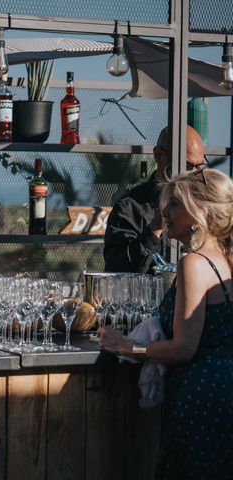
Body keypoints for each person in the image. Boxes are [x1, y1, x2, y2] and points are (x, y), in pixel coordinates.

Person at [99, 168, 233, 478]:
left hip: (200, 395)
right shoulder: (225, 259)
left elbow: (183, 348)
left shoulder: (194, 263)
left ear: (197, 213)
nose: (165, 212)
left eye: (174, 204)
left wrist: (129, 345)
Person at [103, 125, 206, 273]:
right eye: (187, 166)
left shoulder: (205, 204)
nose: (193, 175)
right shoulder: (129, 208)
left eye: (200, 168)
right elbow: (116, 271)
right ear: (158, 155)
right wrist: (154, 229)